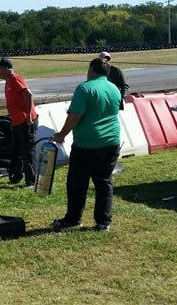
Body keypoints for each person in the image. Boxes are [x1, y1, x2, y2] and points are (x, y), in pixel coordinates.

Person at [51, 57, 122, 231]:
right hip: (111, 140)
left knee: (77, 182)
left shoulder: (84, 89)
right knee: (104, 181)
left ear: (91, 70)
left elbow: (75, 116)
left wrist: (61, 135)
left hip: (88, 143)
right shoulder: (114, 88)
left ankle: (73, 218)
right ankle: (103, 221)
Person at [0, 57, 38, 188]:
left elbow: (28, 95)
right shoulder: (7, 82)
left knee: (27, 152)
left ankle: (32, 181)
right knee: (16, 150)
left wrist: (28, 115)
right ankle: (15, 176)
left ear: (7, 69)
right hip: (17, 121)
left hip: (26, 121)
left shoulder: (16, 79)